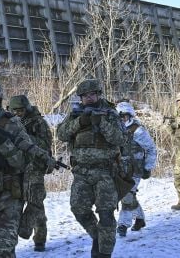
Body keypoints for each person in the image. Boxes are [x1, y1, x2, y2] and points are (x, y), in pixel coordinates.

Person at [0, 76, 56, 258]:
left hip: (8, 198)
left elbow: (23, 162)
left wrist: (2, 143)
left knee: (2, 252)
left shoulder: (12, 124)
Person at [56, 79, 127, 258]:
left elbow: (119, 139)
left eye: (92, 94)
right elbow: (62, 135)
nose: (88, 98)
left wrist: (100, 122)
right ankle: (98, 237)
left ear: (98, 94)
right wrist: (80, 122)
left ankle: (103, 253)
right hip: (81, 172)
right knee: (78, 208)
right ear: (81, 98)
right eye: (85, 96)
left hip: (105, 172)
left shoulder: (110, 113)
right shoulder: (75, 114)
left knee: (106, 215)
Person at [8, 95, 53, 252]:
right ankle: (9, 242)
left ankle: (39, 239)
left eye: (21, 110)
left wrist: (25, 136)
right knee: (13, 204)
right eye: (15, 111)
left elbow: (46, 145)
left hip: (34, 165)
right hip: (14, 167)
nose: (18, 114)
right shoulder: (7, 123)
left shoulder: (38, 122)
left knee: (36, 201)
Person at [115, 102, 157, 238]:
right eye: (120, 117)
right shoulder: (114, 131)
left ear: (130, 115)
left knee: (126, 195)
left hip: (135, 169)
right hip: (120, 169)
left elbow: (151, 149)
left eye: (125, 116)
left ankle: (122, 225)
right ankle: (140, 219)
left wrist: (147, 167)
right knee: (128, 195)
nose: (122, 119)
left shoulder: (137, 130)